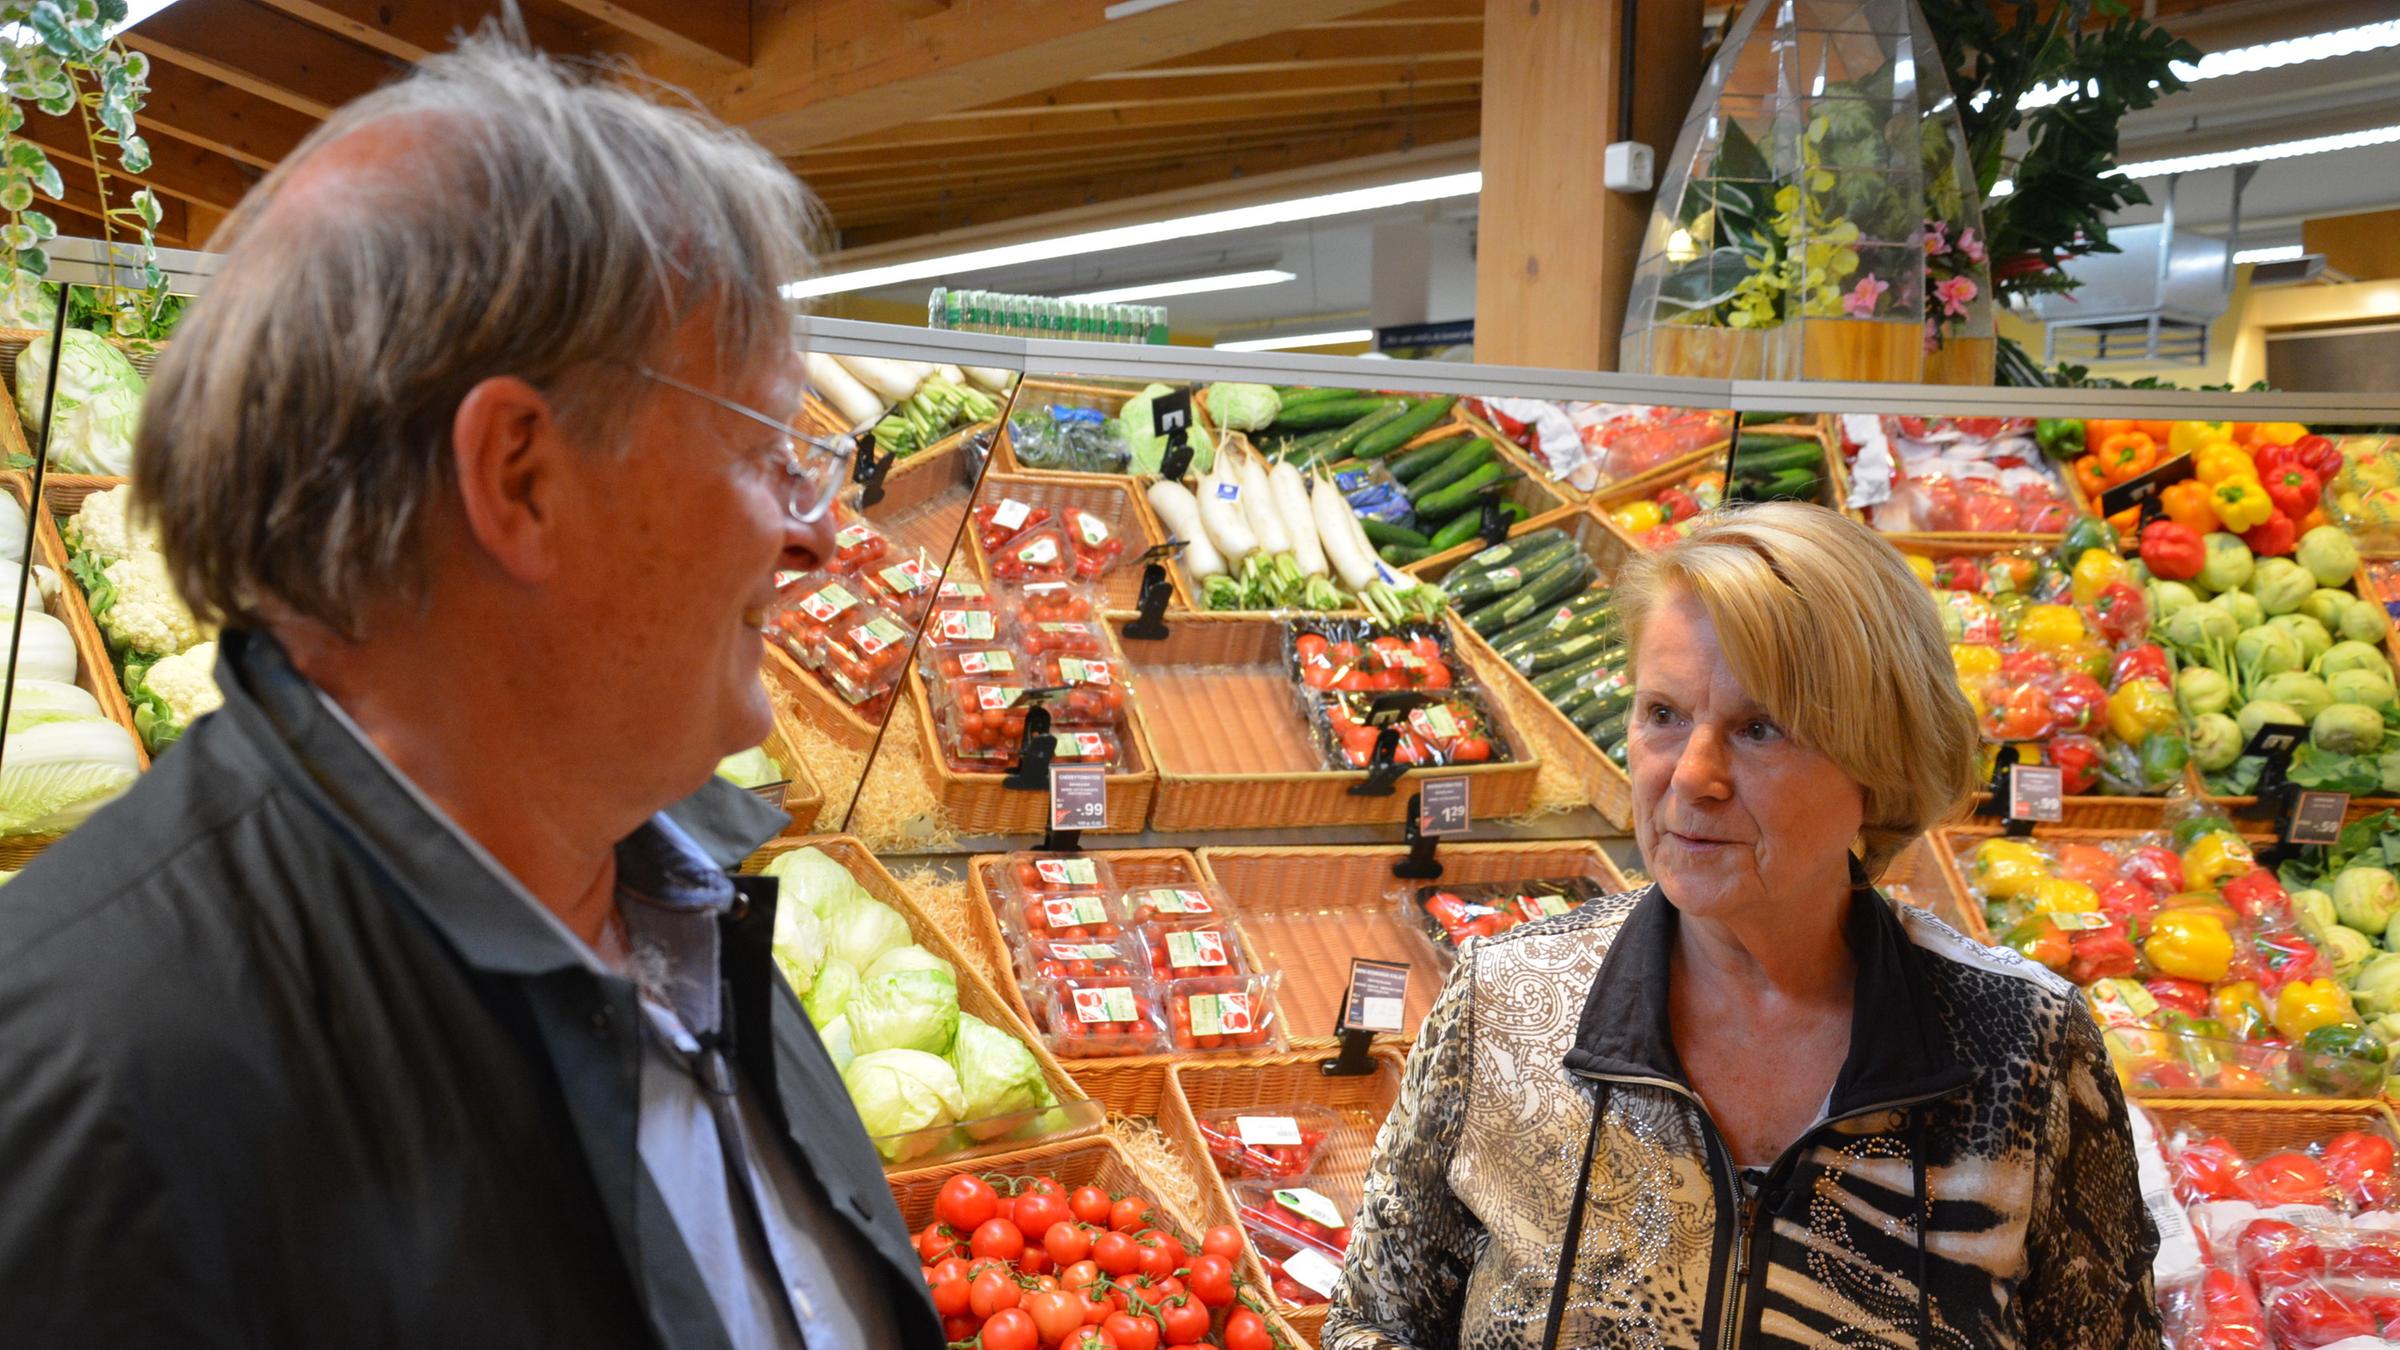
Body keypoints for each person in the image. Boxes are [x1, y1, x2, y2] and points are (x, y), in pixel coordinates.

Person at [0, 36, 946, 1350]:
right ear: (520, 477)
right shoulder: (87, 1085)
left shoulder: (678, 906)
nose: (819, 537)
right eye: (763, 446)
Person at [1325, 502, 2160, 1349]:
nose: (1692, 776)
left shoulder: (2025, 1048)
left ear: (1881, 765)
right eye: (1663, 714)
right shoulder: (1506, 1003)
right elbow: (1371, 1322)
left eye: (1760, 730)